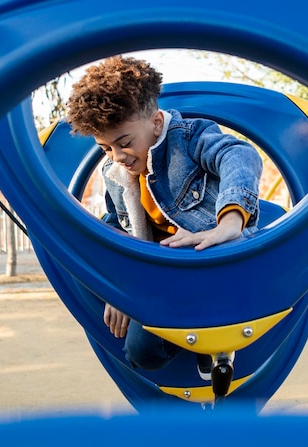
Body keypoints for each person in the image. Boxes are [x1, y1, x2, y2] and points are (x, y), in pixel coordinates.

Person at [66, 55, 262, 376]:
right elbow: (117, 226)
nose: (118, 157)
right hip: (162, 273)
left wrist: (228, 224)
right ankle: (193, 337)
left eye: (124, 142)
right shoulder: (115, 173)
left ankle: (209, 334)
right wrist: (119, 289)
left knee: (148, 341)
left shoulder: (188, 138)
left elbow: (238, 154)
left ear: (156, 122)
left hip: (208, 259)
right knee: (140, 351)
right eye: (105, 148)